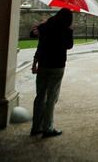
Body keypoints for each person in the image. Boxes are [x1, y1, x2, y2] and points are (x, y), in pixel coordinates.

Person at [30, 8, 74, 138]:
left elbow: (38, 43)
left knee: (40, 96)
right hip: (57, 66)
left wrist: (34, 63)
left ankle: (36, 127)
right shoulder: (66, 29)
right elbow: (69, 46)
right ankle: (48, 128)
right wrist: (70, 31)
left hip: (43, 64)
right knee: (51, 97)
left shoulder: (45, 27)